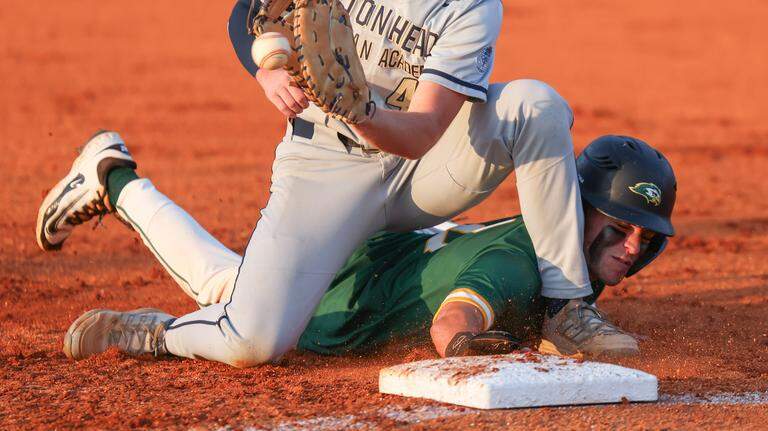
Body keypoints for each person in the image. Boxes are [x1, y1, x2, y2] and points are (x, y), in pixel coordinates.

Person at [37, 0, 630, 367]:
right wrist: (267, 69)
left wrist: (364, 111)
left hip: (418, 166)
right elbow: (251, 11)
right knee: (253, 340)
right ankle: (155, 331)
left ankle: (565, 305)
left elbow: (424, 130)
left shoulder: (472, 5)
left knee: (536, 106)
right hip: (325, 167)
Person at [50, 135, 676, 360]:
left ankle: (114, 176)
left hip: (376, 258)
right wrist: (476, 349)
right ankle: (159, 334)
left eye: (643, 239)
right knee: (235, 310)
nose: (628, 248)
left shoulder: (547, 246)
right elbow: (455, 322)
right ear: (575, 210)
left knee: (228, 276)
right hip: (338, 310)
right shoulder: (522, 265)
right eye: (616, 229)